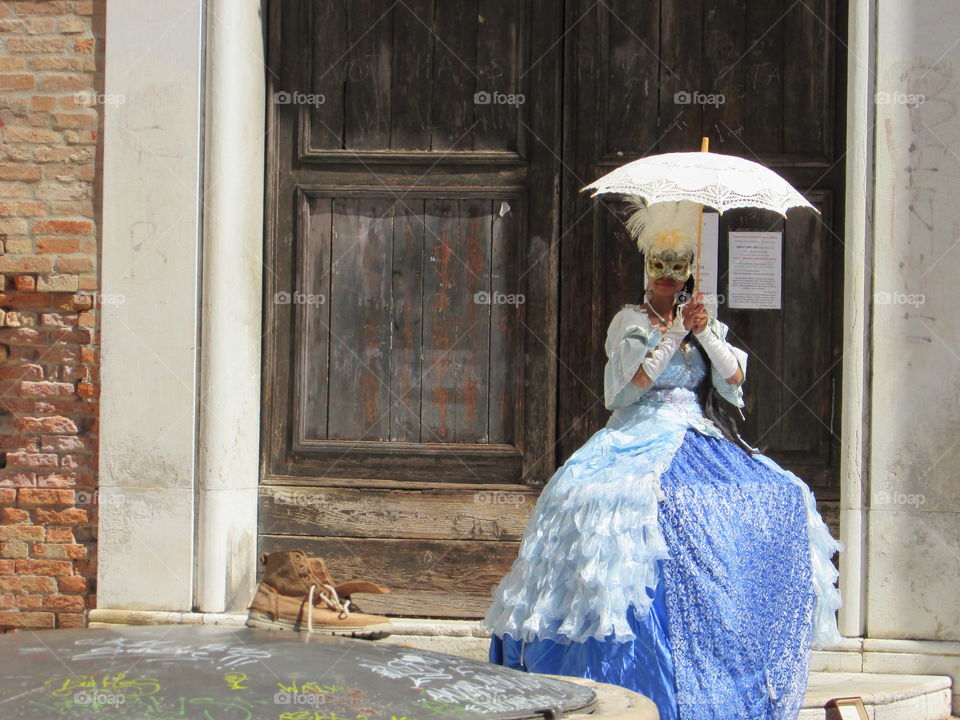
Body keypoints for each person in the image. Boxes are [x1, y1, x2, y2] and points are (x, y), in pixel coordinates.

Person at [481, 199, 843, 720]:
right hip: (638, 433)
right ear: (646, 269)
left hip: (697, 432)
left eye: (679, 267)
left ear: (692, 270)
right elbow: (629, 388)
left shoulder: (703, 322)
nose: (669, 277)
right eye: (660, 267)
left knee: (778, 494)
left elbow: (734, 381)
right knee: (609, 501)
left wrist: (700, 331)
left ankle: (733, 649)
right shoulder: (629, 321)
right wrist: (673, 332)